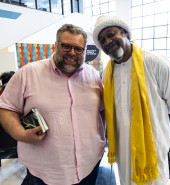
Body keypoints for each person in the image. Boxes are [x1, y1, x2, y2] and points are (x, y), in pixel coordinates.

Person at [0, 24, 105, 185]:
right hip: (45, 170)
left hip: (89, 164)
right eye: (66, 46)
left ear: (84, 51)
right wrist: (20, 133)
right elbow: (6, 108)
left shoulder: (93, 75)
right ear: (55, 45)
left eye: (78, 49)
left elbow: (102, 111)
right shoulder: (27, 73)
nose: (72, 52)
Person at [92, 15, 170, 185]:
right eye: (102, 40)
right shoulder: (108, 73)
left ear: (126, 33)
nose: (107, 41)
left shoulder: (155, 63)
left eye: (111, 34)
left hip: (152, 148)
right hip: (122, 150)